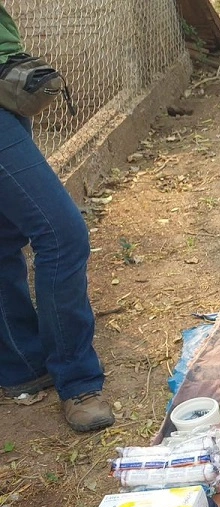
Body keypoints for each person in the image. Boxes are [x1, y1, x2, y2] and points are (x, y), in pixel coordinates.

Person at [0, 3, 114, 432]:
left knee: (4, 236)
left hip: (9, 81)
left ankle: (22, 364)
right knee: (62, 235)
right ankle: (77, 379)